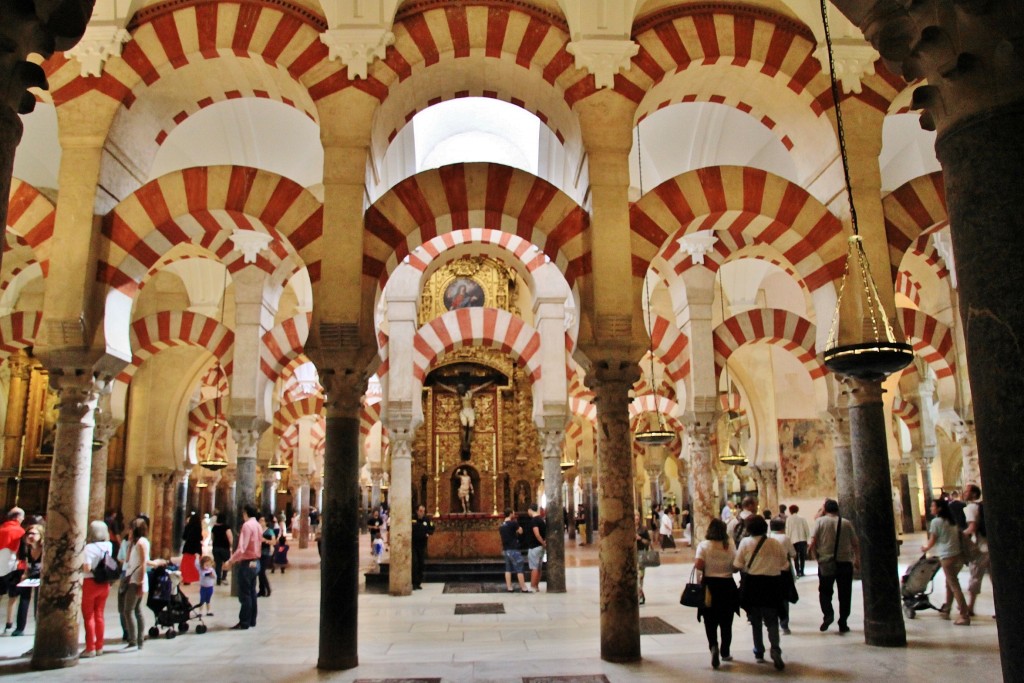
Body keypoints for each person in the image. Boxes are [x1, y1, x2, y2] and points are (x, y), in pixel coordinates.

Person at [734, 515, 789, 670]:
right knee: (772, 620)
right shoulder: (774, 543)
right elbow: (785, 565)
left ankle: (759, 651)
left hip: (753, 585)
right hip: (772, 584)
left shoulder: (745, 543)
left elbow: (738, 564)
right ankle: (775, 649)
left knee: (756, 621)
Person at [808, 498, 860, 633]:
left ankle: (828, 614)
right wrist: (857, 560)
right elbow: (855, 543)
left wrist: (816, 557)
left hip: (826, 562)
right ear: (838, 509)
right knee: (845, 593)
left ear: (825, 510)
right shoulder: (846, 523)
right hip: (844, 563)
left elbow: (812, 542)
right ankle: (843, 622)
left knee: (825, 591)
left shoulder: (819, 522)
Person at [695, 518, 738, 669]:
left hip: (710, 586)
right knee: (727, 620)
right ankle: (725, 651)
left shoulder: (704, 545)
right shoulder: (730, 544)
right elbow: (736, 565)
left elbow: (699, 565)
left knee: (710, 620)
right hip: (727, 585)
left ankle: (713, 646)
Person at [921, 497, 970, 625]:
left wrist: (925, 548)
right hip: (957, 555)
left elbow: (932, 540)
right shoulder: (951, 521)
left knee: (954, 586)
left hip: (947, 556)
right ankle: (947, 609)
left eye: (933, 506)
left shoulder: (936, 522)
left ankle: (964, 615)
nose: (931, 508)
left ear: (939, 508)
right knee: (950, 583)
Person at [224, 504, 262, 630]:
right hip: (256, 562)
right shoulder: (258, 525)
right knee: (252, 592)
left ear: (245, 513)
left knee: (245, 593)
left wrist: (231, 561)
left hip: (247, 562)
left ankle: (244, 621)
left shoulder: (247, 525)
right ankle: (252, 620)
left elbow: (242, 548)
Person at [81, 520, 114, 657]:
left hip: (90, 582)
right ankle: (99, 646)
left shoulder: (88, 548)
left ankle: (90, 648)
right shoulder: (108, 545)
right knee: (99, 614)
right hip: (104, 583)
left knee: (89, 617)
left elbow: (87, 567)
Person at [436, 380, 494, 454]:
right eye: (459, 389)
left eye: (461, 389)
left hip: (470, 411)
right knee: (464, 425)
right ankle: (464, 442)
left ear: (464, 389)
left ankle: (468, 441)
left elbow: (481, 387)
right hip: (464, 411)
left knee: (470, 426)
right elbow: (446, 388)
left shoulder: (470, 393)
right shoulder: (459, 394)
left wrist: (491, 382)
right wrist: (438, 382)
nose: (460, 390)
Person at [121, 517, 151, 650]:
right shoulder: (135, 543)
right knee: (137, 610)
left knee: (129, 610)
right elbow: (127, 560)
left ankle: (134, 640)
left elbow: (144, 562)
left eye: (131, 528)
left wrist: (141, 581)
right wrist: (129, 543)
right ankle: (139, 640)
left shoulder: (141, 543)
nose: (129, 531)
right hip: (133, 578)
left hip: (137, 580)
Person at [11, 523, 43, 637]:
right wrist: (23, 574)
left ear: (41, 535)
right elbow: (22, 561)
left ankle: (39, 626)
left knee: (38, 601)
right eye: (28, 533)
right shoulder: (25, 547)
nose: (30, 536)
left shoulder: (45, 548)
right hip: (29, 574)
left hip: (41, 575)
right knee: (24, 599)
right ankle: (20, 628)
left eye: (33, 534)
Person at [963, 484, 989, 616]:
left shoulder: (971, 508)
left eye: (967, 491)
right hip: (990, 547)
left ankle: (970, 607)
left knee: (975, 578)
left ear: (974, 494)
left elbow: (972, 528)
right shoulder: (984, 506)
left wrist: (959, 535)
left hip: (980, 548)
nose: (964, 492)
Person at [769, 518, 797, 635]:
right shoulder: (785, 538)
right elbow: (793, 554)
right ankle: (784, 624)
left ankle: (773, 622)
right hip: (784, 571)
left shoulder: (768, 538)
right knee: (784, 597)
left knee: (773, 597)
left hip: (770, 571)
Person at [0, 507, 26, 633]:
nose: (23, 519)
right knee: (13, 597)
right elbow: (21, 552)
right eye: (22, 517)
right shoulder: (20, 531)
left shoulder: (1, 529)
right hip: (14, 568)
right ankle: (8, 625)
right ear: (17, 517)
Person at [499, 509, 530, 593]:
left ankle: (509, 587)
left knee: (508, 569)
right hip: (514, 549)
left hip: (505, 549)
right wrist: (518, 526)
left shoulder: (501, 525)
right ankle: (523, 587)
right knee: (519, 568)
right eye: (513, 513)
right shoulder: (513, 523)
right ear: (510, 514)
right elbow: (520, 531)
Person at [412, 505, 434, 590]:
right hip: (414, 544)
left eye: (423, 511)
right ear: (417, 511)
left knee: (421, 563)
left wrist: (428, 533)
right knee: (415, 563)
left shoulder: (427, 520)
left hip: (422, 544)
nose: (422, 513)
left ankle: (418, 582)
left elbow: (432, 528)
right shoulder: (412, 519)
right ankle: (413, 582)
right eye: (420, 511)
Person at [785, 504, 811, 577]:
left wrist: (788, 540)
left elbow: (788, 530)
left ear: (790, 511)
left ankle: (798, 571)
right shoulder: (802, 518)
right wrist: (808, 540)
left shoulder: (789, 519)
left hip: (793, 540)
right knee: (802, 557)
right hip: (802, 540)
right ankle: (802, 571)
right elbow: (806, 529)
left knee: (795, 557)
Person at [526, 503, 547, 592]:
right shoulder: (541, 520)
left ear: (530, 510)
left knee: (534, 567)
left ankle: (532, 587)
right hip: (539, 547)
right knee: (539, 567)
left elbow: (537, 534)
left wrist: (543, 543)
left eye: (528, 511)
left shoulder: (534, 521)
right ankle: (536, 586)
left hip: (535, 547)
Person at [180, 511, 203, 585]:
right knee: (195, 564)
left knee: (186, 565)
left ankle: (186, 579)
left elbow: (184, 537)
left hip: (188, 547)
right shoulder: (198, 527)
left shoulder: (188, 526)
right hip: (196, 548)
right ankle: (195, 577)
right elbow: (199, 537)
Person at [210, 511, 233, 585]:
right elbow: (230, 537)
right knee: (227, 562)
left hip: (216, 547)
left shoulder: (214, 527)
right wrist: (232, 546)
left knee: (218, 563)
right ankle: (224, 577)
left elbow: (212, 537)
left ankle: (218, 579)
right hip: (225, 548)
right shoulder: (226, 527)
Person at [635, 511, 651, 605]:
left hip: (641, 554)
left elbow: (648, 542)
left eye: (637, 516)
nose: (636, 518)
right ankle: (640, 595)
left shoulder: (643, 529)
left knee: (640, 576)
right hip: (631, 555)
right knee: (634, 576)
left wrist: (640, 538)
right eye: (634, 516)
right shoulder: (628, 529)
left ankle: (640, 595)